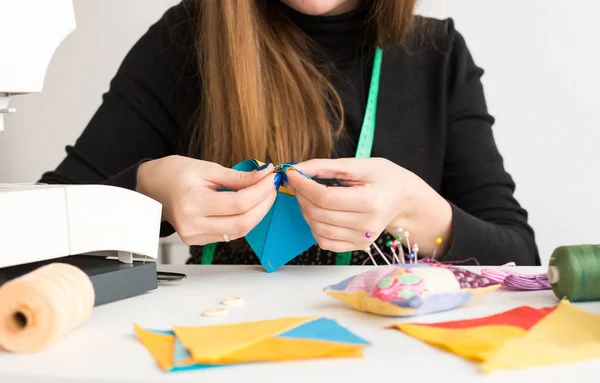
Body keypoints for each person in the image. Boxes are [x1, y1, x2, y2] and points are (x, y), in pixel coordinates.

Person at [40, 0, 540, 266]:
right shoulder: (186, 39)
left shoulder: (438, 56)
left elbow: (522, 258)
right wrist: (146, 193)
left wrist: (416, 210)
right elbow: (36, 229)